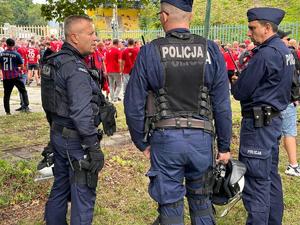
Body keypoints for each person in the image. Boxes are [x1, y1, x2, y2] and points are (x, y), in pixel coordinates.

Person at [124, 0, 232, 224]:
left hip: (166, 140)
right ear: (190, 16)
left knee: (170, 207)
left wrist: (141, 142)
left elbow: (133, 103)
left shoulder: (150, 51)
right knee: (202, 205)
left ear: (163, 16)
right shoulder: (211, 49)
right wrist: (224, 147)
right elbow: (222, 104)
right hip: (202, 140)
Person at [231, 8, 295, 225]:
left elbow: (240, 91)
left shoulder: (265, 54)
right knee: (270, 178)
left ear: (267, 28)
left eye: (253, 27)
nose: (249, 33)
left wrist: (237, 81)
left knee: (256, 182)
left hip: (258, 125)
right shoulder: (284, 51)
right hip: (273, 121)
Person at [42, 15, 105, 225]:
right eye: (91, 33)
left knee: (60, 186)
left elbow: (49, 104)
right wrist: (93, 147)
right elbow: (81, 113)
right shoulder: (75, 69)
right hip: (75, 140)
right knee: (83, 194)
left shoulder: (55, 61)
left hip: (58, 134)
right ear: (74, 37)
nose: (95, 38)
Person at [277, 30, 300, 176]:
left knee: (277, 133)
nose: (288, 41)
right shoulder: (287, 55)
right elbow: (293, 79)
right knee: (289, 132)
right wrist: (295, 97)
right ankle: (293, 165)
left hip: (277, 100)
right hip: (286, 100)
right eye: (286, 38)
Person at [0, 38, 30, 115]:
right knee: (23, 90)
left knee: (7, 95)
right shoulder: (16, 54)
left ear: (6, 44)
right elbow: (21, 66)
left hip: (6, 77)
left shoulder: (2, 54)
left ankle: (7, 111)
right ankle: (26, 105)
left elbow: (0, 66)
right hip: (15, 76)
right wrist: (17, 68)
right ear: (13, 45)